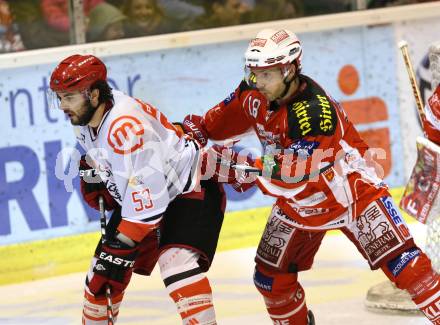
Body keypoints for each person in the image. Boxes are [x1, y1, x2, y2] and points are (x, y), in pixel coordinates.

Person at [182, 28, 440, 324]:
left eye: (266, 75)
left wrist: (230, 164)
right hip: (299, 205)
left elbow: (291, 175)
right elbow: (220, 119)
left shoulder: (314, 113)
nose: (257, 82)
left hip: (351, 195)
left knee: (409, 268)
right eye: (253, 73)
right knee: (269, 280)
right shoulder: (253, 91)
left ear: (290, 70)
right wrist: (192, 132)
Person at [49, 54, 227, 324]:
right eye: (60, 97)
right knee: (99, 280)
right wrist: (97, 170)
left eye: (69, 97)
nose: (63, 106)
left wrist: (120, 247)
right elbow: (120, 169)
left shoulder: (125, 128)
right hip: (144, 198)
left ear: (94, 94)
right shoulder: (89, 115)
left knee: (177, 267)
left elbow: (150, 202)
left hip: (187, 187)